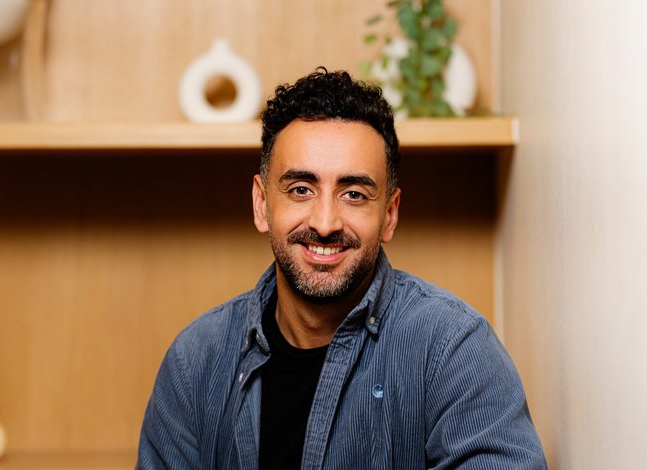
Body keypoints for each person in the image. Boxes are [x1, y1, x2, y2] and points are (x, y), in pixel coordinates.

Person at [137, 68, 547, 469]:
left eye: (353, 194)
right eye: (301, 189)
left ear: (389, 215)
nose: (325, 223)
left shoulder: (453, 351)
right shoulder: (196, 361)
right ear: (262, 205)